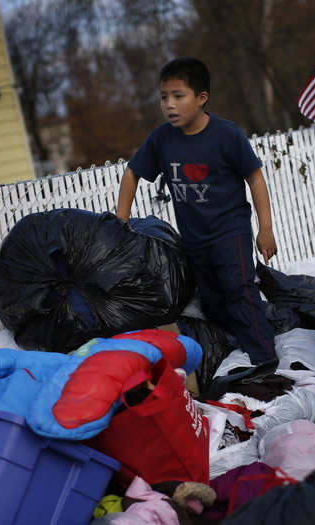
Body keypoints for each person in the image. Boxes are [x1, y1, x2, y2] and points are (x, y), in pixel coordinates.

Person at [115, 57, 278, 365]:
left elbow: (255, 177)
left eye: (179, 96)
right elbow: (132, 172)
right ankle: (235, 349)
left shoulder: (227, 135)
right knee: (214, 301)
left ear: (202, 98)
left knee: (239, 289)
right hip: (194, 239)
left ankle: (264, 357)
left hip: (231, 231)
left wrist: (265, 228)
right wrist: (120, 222)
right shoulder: (162, 139)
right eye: (164, 97)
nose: (169, 105)